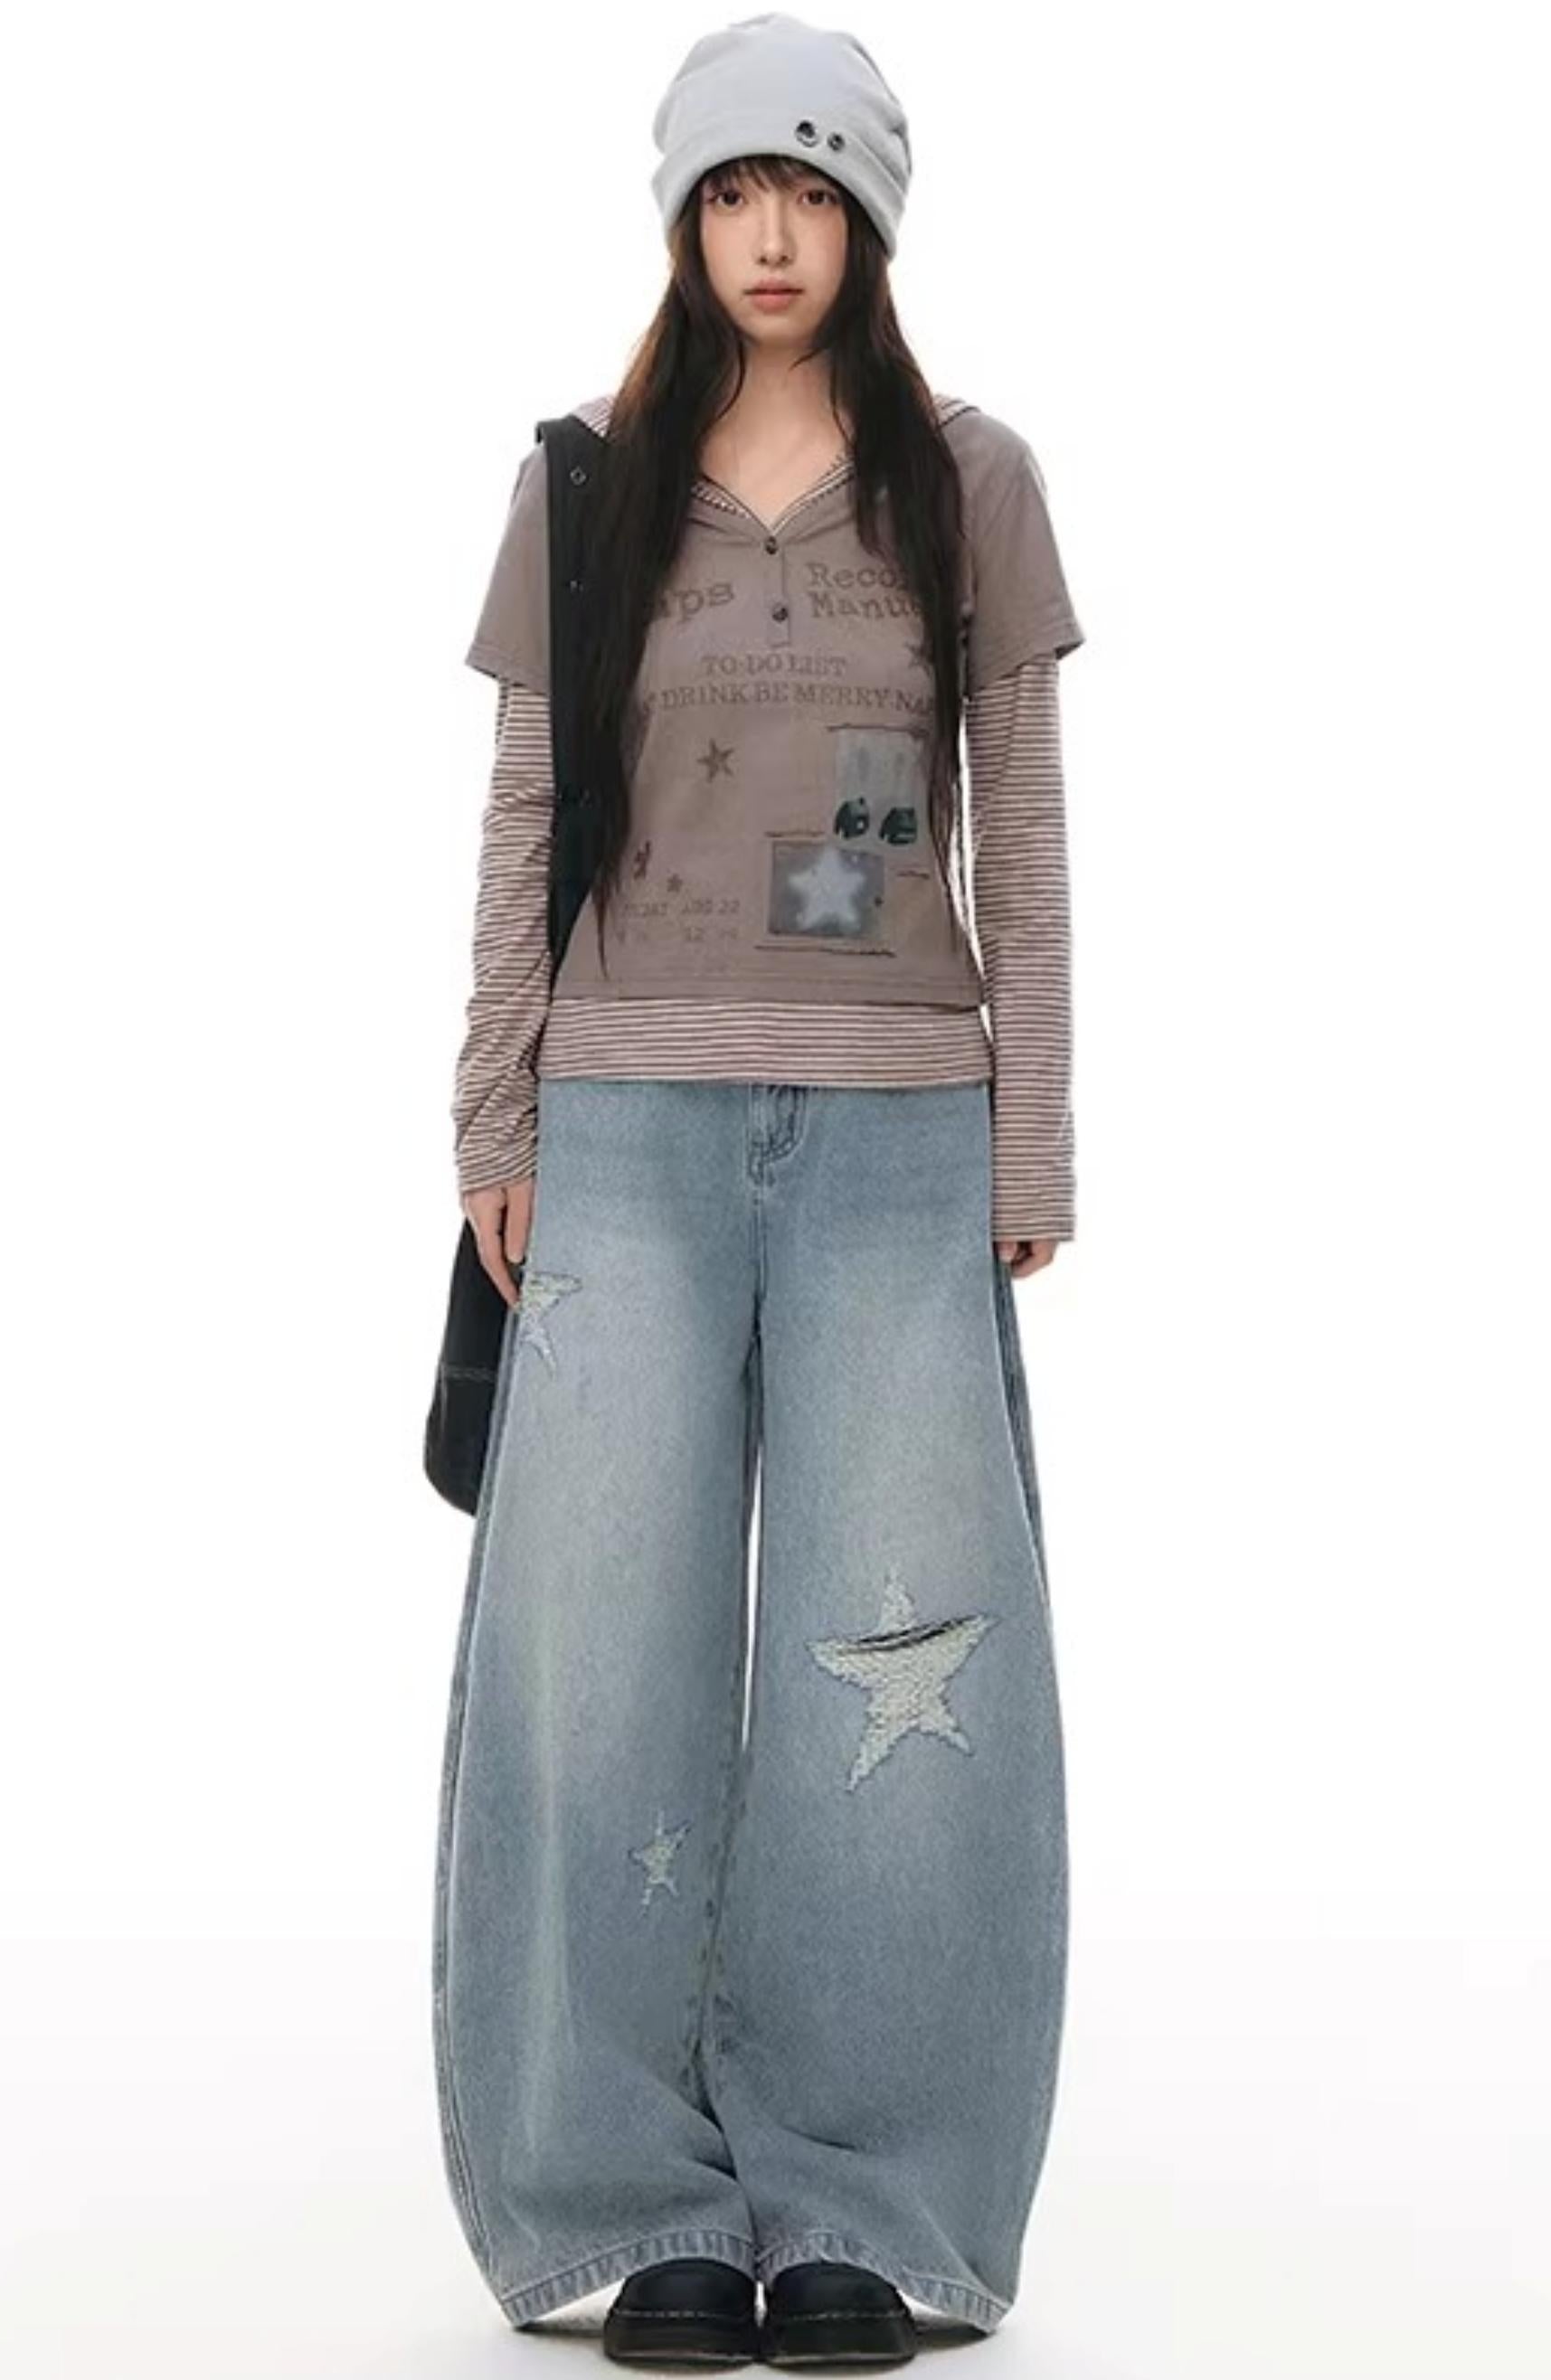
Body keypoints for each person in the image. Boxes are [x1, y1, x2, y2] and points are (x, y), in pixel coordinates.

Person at [432, 13, 1085, 2366]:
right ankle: (620, 2202)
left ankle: (869, 2203)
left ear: (871, 217)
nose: (772, 234)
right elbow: (526, 814)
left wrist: (1035, 1127)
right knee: (592, 1654)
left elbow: (1020, 812)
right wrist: (494, 1119)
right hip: (622, 1125)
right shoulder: (586, 482)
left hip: (903, 1132)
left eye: (809, 191)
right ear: (683, 219)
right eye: (731, 192)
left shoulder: (969, 479)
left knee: (896, 1662)